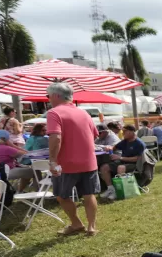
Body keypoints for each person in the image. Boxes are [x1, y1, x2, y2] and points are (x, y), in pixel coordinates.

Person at [46, 82, 100, 236]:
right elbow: (94, 135)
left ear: (56, 96)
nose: (48, 99)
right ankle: (91, 227)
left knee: (62, 196)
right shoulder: (85, 113)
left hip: (66, 164)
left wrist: (53, 160)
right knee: (89, 194)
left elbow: (55, 137)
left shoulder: (54, 113)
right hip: (88, 161)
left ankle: (76, 224)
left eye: (48, 96)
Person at [98, 124, 146, 201]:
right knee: (104, 167)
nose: (122, 133)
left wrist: (120, 157)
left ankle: (119, 191)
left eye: (124, 131)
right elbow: (115, 147)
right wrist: (110, 148)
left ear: (131, 132)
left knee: (120, 168)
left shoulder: (139, 143)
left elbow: (137, 159)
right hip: (123, 161)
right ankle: (111, 189)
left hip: (135, 164)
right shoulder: (125, 141)